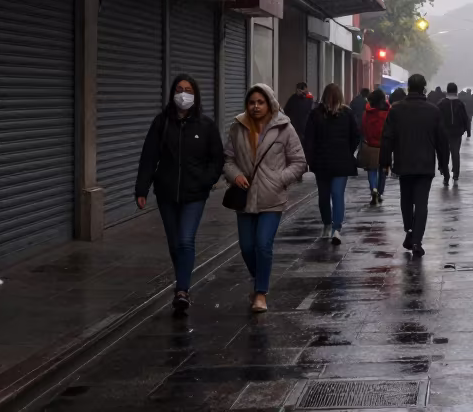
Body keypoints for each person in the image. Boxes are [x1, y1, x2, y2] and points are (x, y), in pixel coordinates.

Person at [135, 74, 224, 314]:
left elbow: (217, 159)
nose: (183, 93)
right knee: (175, 244)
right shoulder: (161, 123)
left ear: (195, 95)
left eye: (188, 89)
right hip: (166, 193)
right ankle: (182, 281)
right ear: (173, 93)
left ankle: (182, 290)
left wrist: (206, 181)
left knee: (185, 240)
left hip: (194, 194)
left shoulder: (206, 126)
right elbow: (149, 156)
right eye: (179, 88)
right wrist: (141, 189)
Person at [223, 83, 307, 313]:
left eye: (260, 102)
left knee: (263, 244)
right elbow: (227, 160)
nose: (256, 107)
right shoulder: (237, 127)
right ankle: (259, 279)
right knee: (247, 247)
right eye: (252, 102)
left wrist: (280, 178)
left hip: (272, 197)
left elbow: (299, 162)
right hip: (245, 197)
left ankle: (261, 293)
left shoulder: (284, 128)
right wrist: (235, 175)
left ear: (269, 103)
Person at [380, 74, 450, 257]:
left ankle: (409, 231)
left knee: (406, 198)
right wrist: (443, 164)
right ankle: (417, 241)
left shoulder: (396, 110)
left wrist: (385, 162)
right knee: (421, 203)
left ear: (409, 88)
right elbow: (442, 140)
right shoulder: (433, 111)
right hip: (425, 163)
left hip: (404, 161)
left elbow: (387, 137)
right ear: (424, 88)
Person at [303, 83, 360, 245]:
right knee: (337, 195)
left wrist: (310, 158)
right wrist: (348, 151)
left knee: (323, 196)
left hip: (321, 162)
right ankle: (337, 228)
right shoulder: (347, 114)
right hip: (342, 160)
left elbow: (309, 139)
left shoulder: (315, 114)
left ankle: (327, 225)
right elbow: (355, 136)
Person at [359, 88, 392, 206]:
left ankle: (373, 189)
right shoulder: (388, 112)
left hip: (370, 145)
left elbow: (363, 127)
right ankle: (380, 192)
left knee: (372, 170)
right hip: (384, 146)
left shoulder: (367, 112)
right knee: (383, 171)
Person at [437, 82, 472, 186]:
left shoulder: (441, 103)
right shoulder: (460, 103)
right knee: (455, 153)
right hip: (457, 132)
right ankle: (456, 173)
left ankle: (446, 175)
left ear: (447, 91)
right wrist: (464, 130)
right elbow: (465, 118)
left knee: (444, 153)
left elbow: (437, 118)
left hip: (444, 133)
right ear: (456, 91)